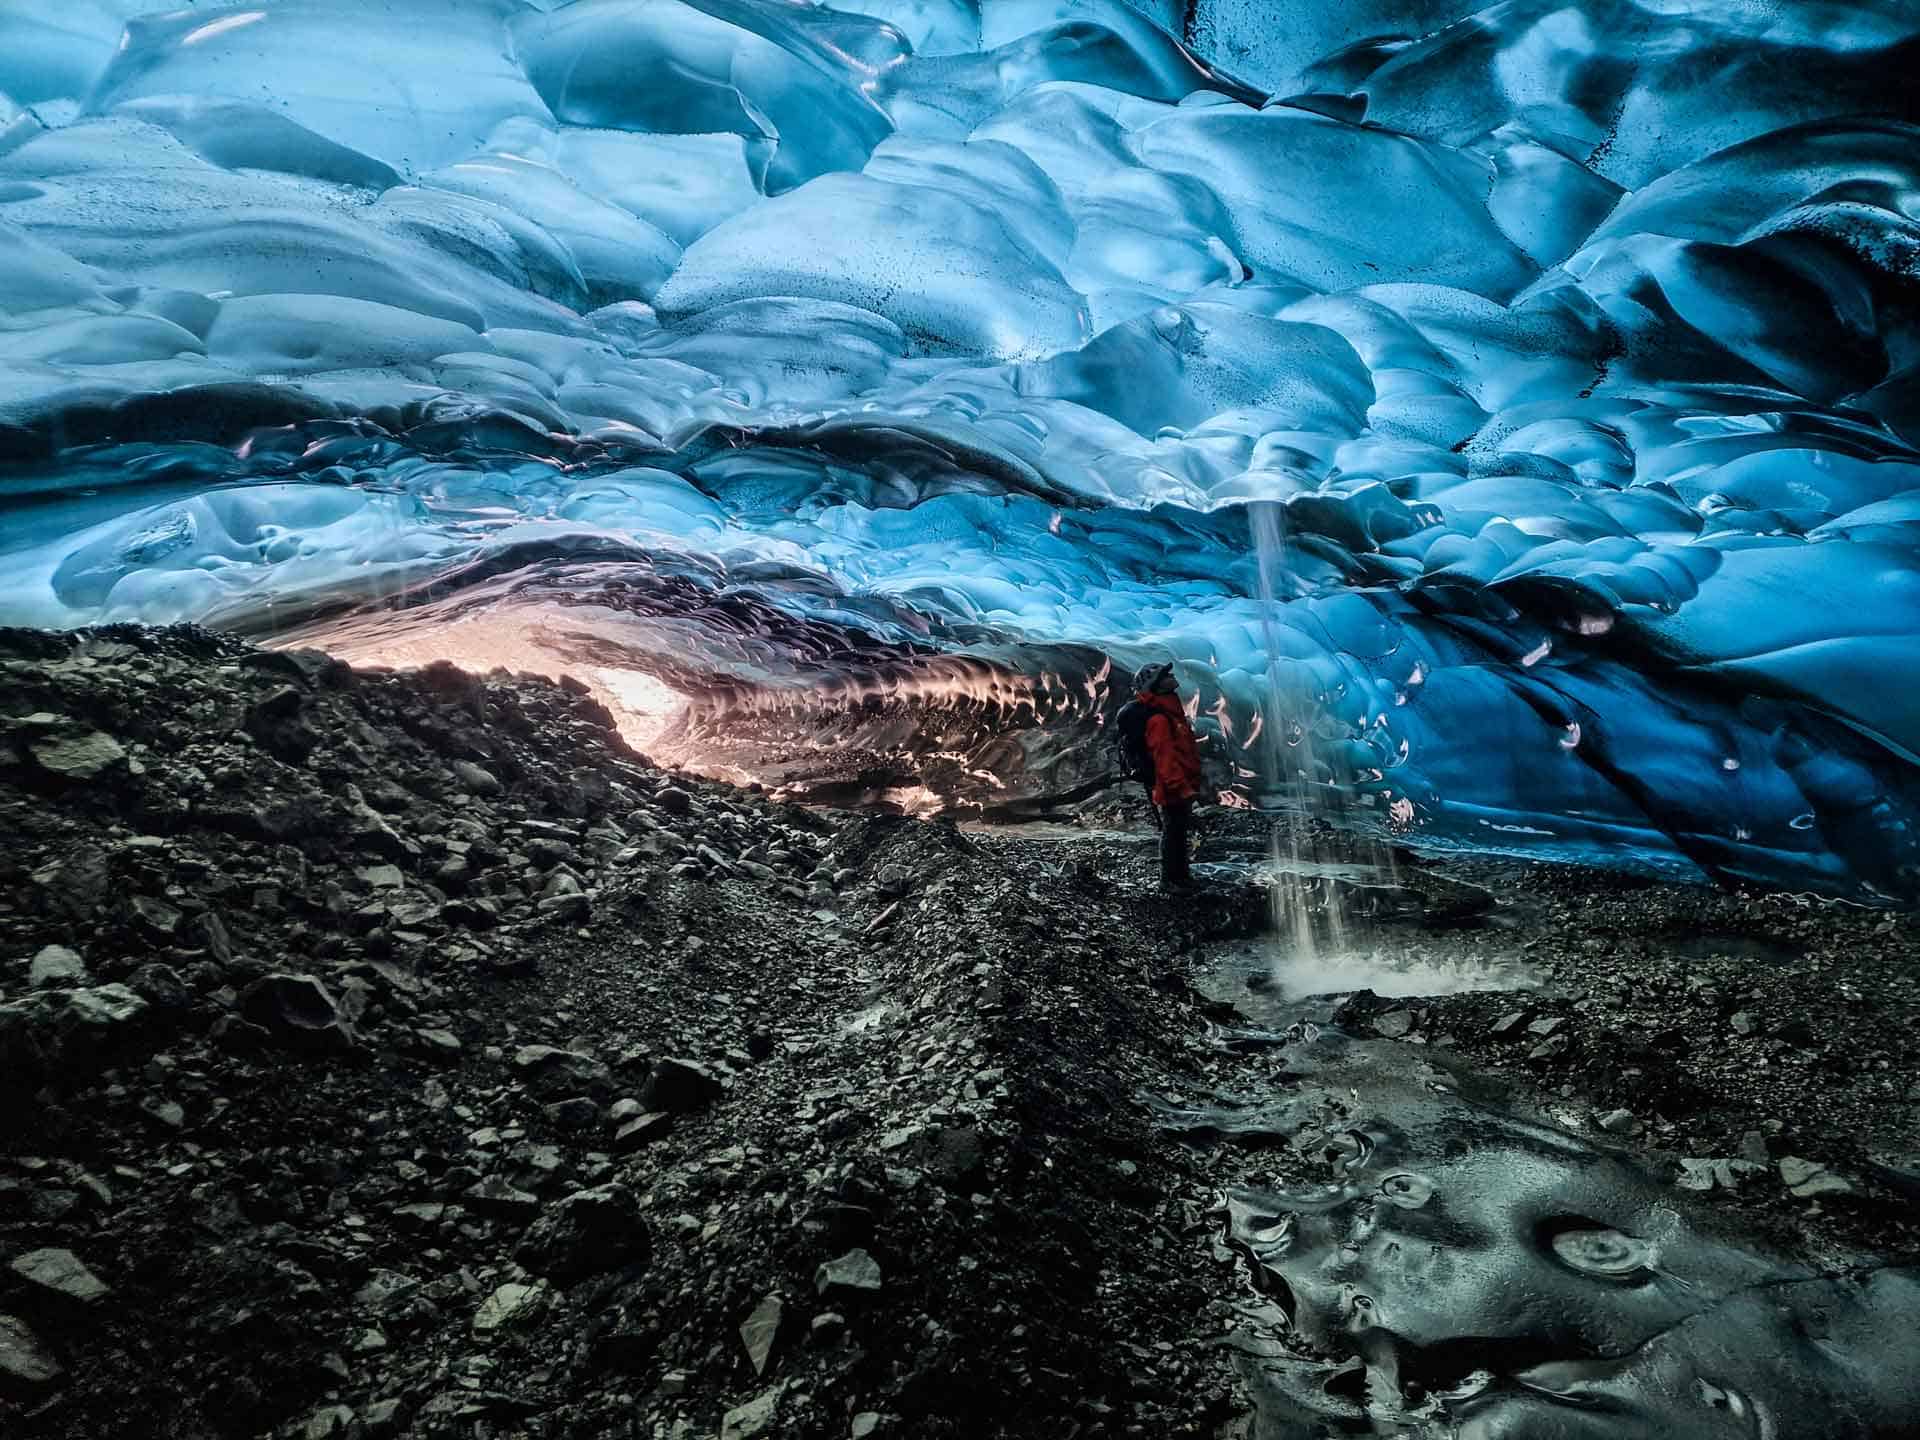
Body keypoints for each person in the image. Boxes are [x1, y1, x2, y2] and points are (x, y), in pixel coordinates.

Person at [1133, 662, 1203, 891]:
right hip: (1172, 788)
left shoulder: (1170, 713)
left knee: (1178, 831)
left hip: (1181, 784)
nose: (1171, 677)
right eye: (1165, 676)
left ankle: (1181, 877)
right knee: (1173, 832)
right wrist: (1180, 787)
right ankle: (1169, 880)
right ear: (1155, 685)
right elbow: (1165, 759)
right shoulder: (1159, 720)